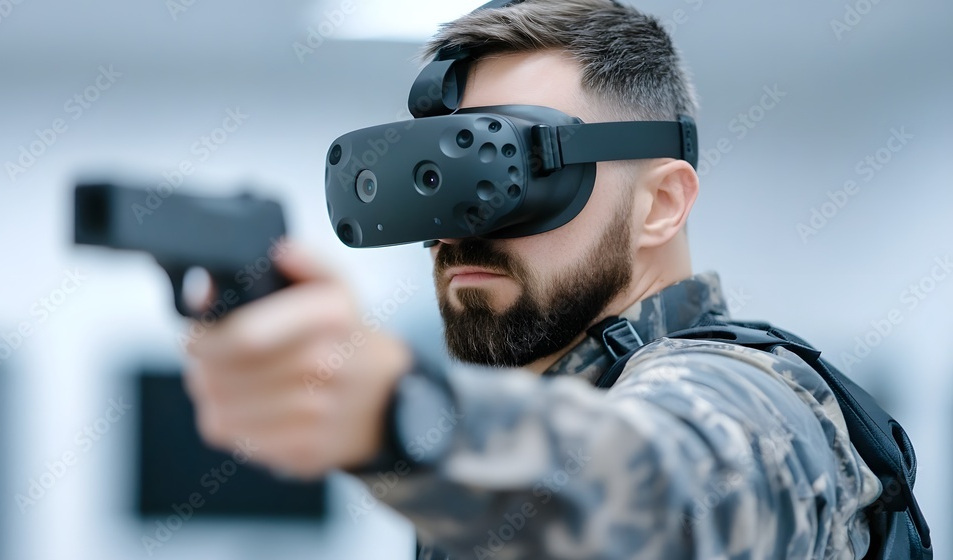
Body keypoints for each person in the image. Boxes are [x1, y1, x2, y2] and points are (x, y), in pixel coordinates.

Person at [182, 1, 883, 558]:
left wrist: (397, 414)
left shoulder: (759, 403)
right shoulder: (502, 451)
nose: (461, 231)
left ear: (661, 205)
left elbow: (666, 496)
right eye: (442, 183)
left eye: (506, 172)